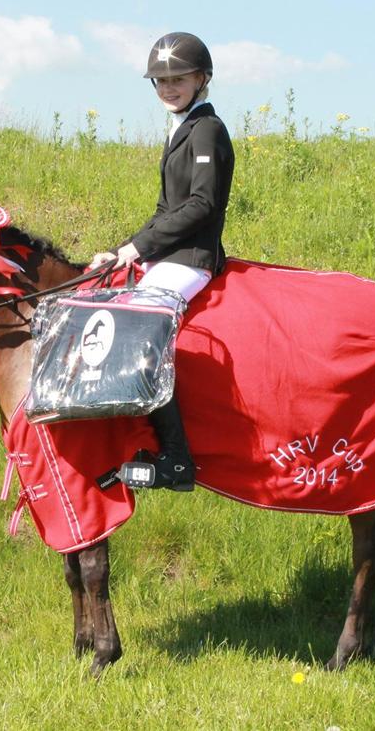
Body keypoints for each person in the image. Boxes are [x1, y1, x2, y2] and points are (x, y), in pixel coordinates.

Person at [90, 31, 235, 492]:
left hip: (192, 258)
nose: (168, 87)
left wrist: (139, 250)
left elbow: (201, 206)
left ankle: (176, 459)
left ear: (201, 79)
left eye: (178, 78)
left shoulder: (208, 129)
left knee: (141, 328)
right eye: (160, 80)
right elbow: (163, 209)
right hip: (168, 253)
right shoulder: (179, 130)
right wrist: (123, 251)